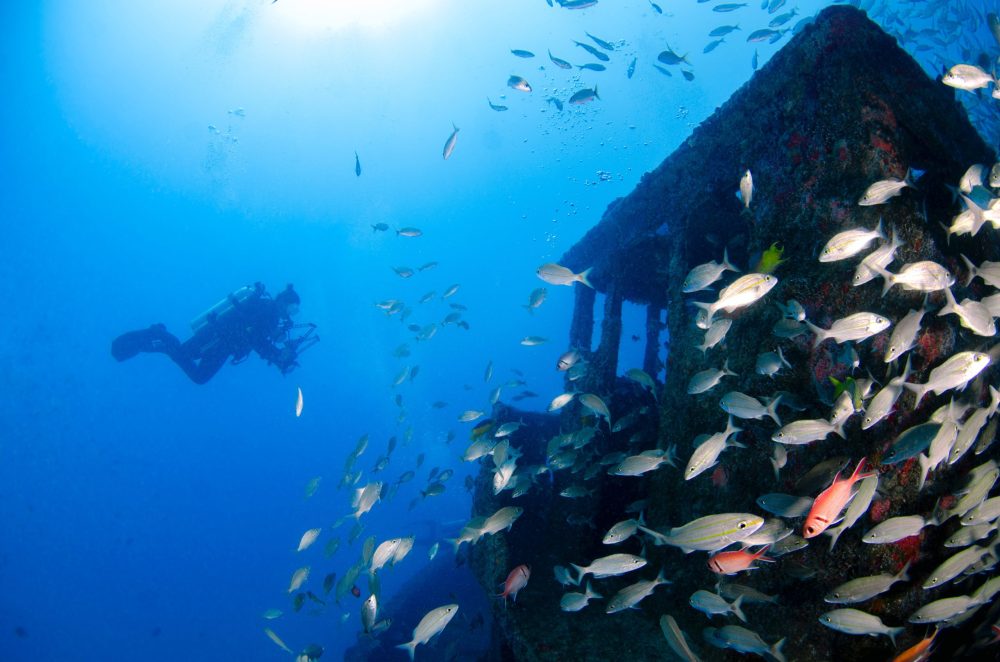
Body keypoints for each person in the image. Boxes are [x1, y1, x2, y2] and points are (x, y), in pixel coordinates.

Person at [111, 283, 317, 384]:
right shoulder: (267, 310)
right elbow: (256, 340)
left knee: (195, 371)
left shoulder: (269, 314)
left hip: (224, 346)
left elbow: (257, 339)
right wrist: (276, 354)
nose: (290, 314)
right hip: (216, 337)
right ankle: (158, 335)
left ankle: (156, 339)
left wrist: (278, 355)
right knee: (184, 356)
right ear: (282, 301)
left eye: (294, 312)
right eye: (292, 309)